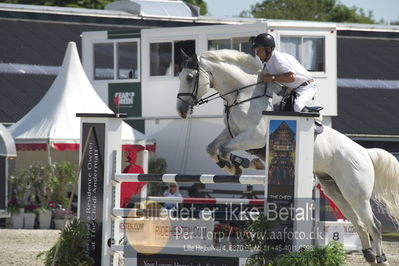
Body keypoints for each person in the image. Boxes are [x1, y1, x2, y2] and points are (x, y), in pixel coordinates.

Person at [252, 33, 317, 112]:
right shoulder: (267, 64)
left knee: (297, 107)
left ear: (268, 49)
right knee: (276, 107)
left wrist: (272, 78)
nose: (257, 54)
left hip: (307, 87)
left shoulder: (278, 59)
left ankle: (316, 123)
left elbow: (291, 77)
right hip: (293, 90)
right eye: (256, 51)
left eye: (259, 50)